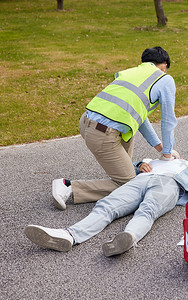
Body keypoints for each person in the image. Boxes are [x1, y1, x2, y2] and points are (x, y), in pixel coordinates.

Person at [52, 47, 180, 209]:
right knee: (130, 186)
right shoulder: (165, 79)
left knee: (129, 140)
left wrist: (161, 148)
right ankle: (68, 187)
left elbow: (139, 119)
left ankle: (127, 170)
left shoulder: (131, 72)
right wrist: (168, 154)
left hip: (87, 122)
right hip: (103, 133)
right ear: (164, 66)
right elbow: (168, 121)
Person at [25, 158, 188, 257]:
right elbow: (130, 167)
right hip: (142, 180)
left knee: (148, 210)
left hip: (170, 185)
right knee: (106, 205)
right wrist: (140, 164)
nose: (172, 152)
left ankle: (127, 238)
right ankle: (69, 235)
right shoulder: (155, 159)